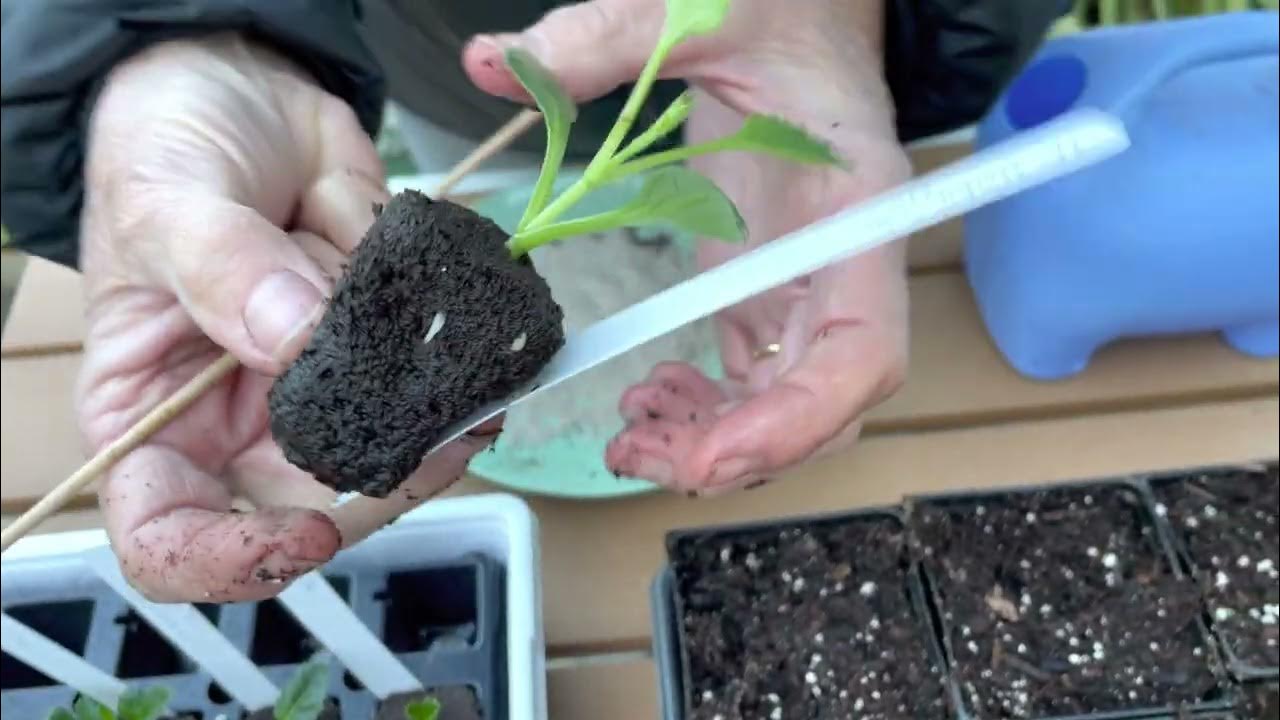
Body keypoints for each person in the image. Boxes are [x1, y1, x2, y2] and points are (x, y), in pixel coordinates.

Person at [0, 0, 1069, 602]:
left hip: (803, 45)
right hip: (451, 52)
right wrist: (174, 43)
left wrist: (829, 19)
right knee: (475, 153)